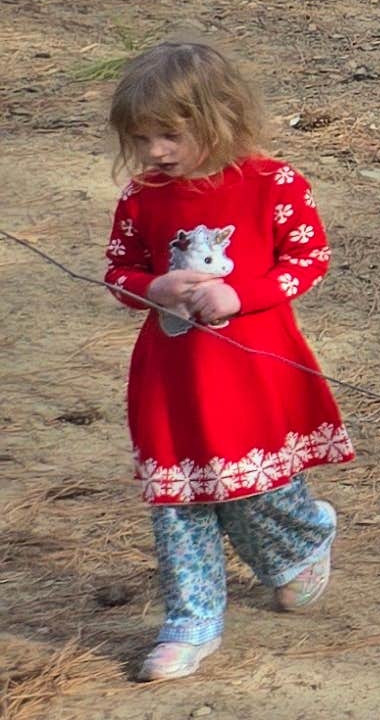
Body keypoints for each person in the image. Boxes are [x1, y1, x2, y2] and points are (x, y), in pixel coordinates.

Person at [100, 42, 350, 682]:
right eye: (142, 137)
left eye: (169, 133)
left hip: (254, 369)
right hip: (173, 373)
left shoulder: (274, 184)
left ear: (219, 117)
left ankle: (301, 539)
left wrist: (241, 293)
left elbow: (308, 259)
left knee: (256, 488)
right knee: (180, 497)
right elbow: (120, 268)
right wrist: (151, 287)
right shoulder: (143, 196)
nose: (155, 150)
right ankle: (192, 619)